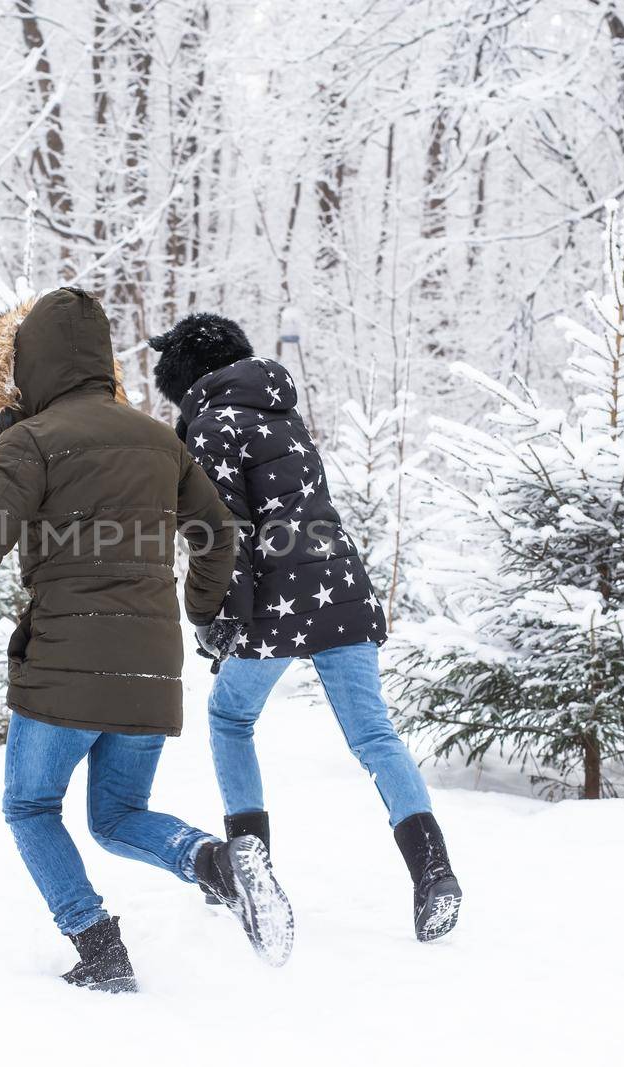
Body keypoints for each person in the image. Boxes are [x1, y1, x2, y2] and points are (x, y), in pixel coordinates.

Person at [0, 288, 295, 993]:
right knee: (118, 814)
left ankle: (99, 947)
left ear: (35, 362)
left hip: (63, 669)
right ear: (101, 358)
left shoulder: (31, 442)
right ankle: (217, 864)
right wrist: (197, 611)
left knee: (31, 807)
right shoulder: (161, 438)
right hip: (151, 674)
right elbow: (219, 535)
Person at [150, 312, 463, 943]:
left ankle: (248, 867)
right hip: (339, 582)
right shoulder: (279, 411)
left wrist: (215, 619)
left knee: (229, 718)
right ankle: (434, 871)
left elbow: (222, 535)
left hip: (275, 598)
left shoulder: (212, 425)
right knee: (374, 734)